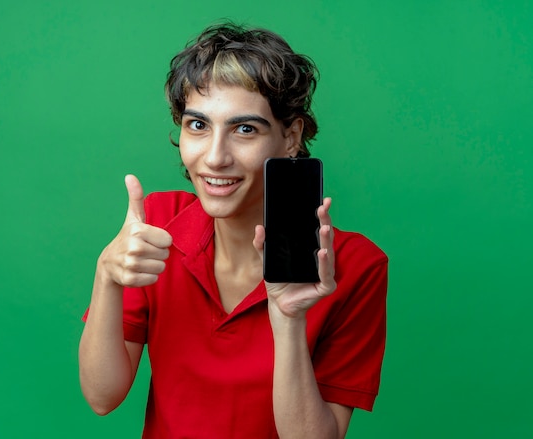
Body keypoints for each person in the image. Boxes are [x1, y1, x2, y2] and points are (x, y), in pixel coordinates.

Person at [79, 22, 388, 439]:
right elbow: (102, 397)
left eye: (245, 129)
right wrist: (106, 276)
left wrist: (288, 320)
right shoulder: (156, 224)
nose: (215, 157)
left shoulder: (356, 265)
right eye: (198, 126)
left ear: (291, 136)